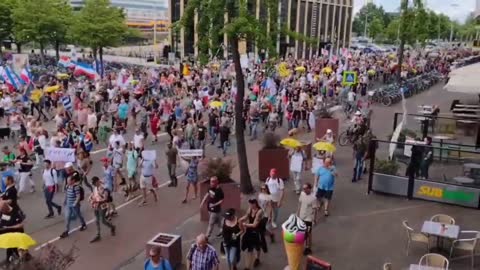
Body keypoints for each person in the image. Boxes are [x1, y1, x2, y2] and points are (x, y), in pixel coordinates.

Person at [60, 162, 87, 238]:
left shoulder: (75, 175)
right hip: (69, 203)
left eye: (68, 169)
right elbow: (66, 193)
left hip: (74, 203)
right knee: (67, 217)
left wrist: (75, 202)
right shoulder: (68, 185)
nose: (66, 170)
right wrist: (65, 200)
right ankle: (66, 230)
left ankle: (83, 224)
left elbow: (78, 195)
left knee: (78, 214)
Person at [239, 198, 266, 270]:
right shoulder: (250, 209)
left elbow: (255, 225)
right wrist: (241, 219)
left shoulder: (260, 211)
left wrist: (245, 224)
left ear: (255, 203)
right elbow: (246, 216)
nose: (250, 205)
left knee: (257, 247)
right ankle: (247, 267)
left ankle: (257, 258)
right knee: (249, 249)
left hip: (257, 231)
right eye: (249, 204)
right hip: (250, 230)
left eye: (251, 204)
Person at [88, 176, 116, 243]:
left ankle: (112, 227)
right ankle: (98, 234)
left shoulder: (103, 188)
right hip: (96, 206)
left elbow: (105, 199)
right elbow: (94, 195)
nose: (94, 184)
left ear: (97, 181)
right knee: (97, 220)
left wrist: (97, 202)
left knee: (103, 220)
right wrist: (91, 198)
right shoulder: (95, 188)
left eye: (94, 183)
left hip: (103, 206)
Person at [297, 182, 318, 255]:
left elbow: (315, 209)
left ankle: (308, 248)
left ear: (309, 189)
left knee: (308, 232)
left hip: (309, 218)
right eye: (303, 188)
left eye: (305, 188)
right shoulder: (302, 194)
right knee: (302, 232)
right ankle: (305, 245)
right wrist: (297, 214)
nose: (304, 190)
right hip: (301, 216)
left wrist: (314, 219)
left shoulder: (313, 198)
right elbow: (300, 204)